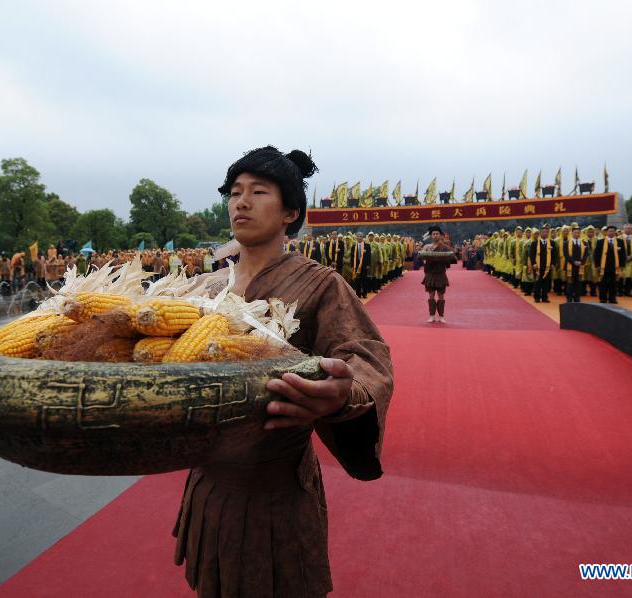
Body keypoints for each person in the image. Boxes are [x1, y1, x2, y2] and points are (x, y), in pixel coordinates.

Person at [173, 146, 393, 597]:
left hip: (275, 489)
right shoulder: (204, 287)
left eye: (258, 191)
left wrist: (344, 395)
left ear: (291, 210)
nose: (241, 202)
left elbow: (366, 358)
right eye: (234, 192)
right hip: (209, 483)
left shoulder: (320, 284)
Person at [421, 225, 455, 323]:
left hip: (440, 274)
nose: (435, 235)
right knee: (431, 295)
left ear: (440, 235)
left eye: (437, 234)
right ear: (431, 236)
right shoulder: (427, 247)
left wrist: (449, 256)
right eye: (433, 234)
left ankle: (441, 316)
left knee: (441, 295)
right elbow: (421, 256)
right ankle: (431, 315)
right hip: (430, 274)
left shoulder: (444, 247)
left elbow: (453, 258)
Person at [593, 224, 626, 304]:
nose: (611, 233)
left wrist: (622, 265)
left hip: (615, 266)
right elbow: (596, 254)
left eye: (613, 231)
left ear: (615, 232)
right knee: (603, 283)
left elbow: (623, 254)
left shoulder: (620, 242)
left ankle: (612, 298)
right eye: (610, 231)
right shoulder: (600, 242)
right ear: (606, 232)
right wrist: (597, 265)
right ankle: (602, 298)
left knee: (613, 284)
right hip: (603, 266)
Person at [528, 224, 554, 303]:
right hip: (537, 266)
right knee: (537, 283)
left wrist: (552, 263)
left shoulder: (551, 243)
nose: (545, 234)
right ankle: (537, 297)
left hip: (547, 266)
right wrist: (533, 263)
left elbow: (554, 254)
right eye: (543, 232)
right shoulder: (535, 243)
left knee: (546, 283)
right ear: (540, 233)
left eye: (546, 232)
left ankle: (545, 297)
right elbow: (531, 254)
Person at [562, 223, 587, 302]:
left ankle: (577, 298)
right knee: (570, 283)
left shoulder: (584, 243)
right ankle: (569, 298)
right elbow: (566, 255)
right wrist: (574, 262)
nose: (577, 234)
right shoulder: (566, 243)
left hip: (580, 266)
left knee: (578, 283)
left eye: (578, 232)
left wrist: (581, 262)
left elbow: (586, 254)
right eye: (575, 232)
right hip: (570, 265)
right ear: (572, 233)